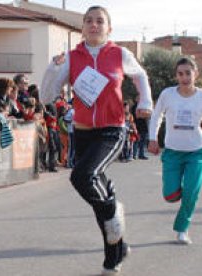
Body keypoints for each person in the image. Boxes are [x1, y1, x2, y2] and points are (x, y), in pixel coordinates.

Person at [41, 6, 153, 275]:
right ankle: (115, 254)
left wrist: (145, 101)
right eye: (88, 21)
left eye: (99, 21)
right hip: (82, 131)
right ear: (82, 27)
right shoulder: (70, 57)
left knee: (83, 176)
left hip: (112, 130)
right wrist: (52, 70)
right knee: (98, 187)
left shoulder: (120, 53)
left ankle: (113, 212)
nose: (94, 25)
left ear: (109, 28)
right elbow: (46, 96)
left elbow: (140, 75)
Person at [148, 57, 202, 245]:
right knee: (170, 195)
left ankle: (182, 229)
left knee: (191, 193)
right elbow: (156, 116)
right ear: (176, 76)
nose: (184, 77)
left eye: (188, 73)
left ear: (196, 74)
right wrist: (152, 138)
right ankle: (178, 191)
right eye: (180, 73)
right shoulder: (167, 94)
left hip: (196, 151)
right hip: (172, 151)